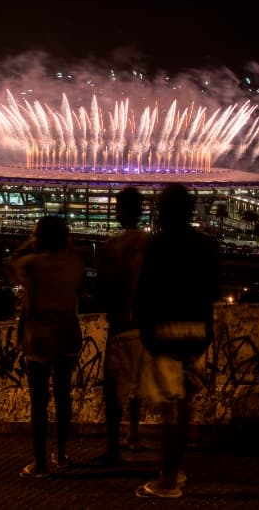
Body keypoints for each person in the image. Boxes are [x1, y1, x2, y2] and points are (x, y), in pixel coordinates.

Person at [133, 184, 220, 499]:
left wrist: (147, 333)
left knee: (170, 408)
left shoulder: (158, 245)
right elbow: (213, 291)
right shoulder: (208, 246)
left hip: (166, 331)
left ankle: (168, 480)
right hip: (197, 332)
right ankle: (176, 469)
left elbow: (145, 293)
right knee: (183, 407)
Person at [8, 216, 85, 478]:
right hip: (67, 335)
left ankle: (40, 463)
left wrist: (29, 243)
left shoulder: (32, 265)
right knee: (64, 398)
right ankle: (61, 454)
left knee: (39, 402)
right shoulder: (74, 264)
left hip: (38, 338)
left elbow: (11, 266)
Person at [92, 187, 149, 466]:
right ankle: (134, 435)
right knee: (137, 385)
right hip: (143, 324)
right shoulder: (149, 245)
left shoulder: (110, 248)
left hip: (120, 324)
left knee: (113, 389)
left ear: (120, 211)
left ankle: (113, 446)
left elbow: (102, 287)